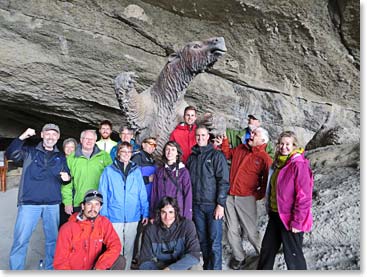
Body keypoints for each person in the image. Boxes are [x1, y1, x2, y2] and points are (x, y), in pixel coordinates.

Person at [6, 123, 71, 270]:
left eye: (54, 134)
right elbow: (11, 154)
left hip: (52, 204)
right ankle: (16, 270)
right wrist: (23, 136)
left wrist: (67, 179)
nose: (51, 137)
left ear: (58, 137)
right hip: (29, 203)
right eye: (48, 133)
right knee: (21, 240)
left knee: (52, 241)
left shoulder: (60, 157)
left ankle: (49, 269)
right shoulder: (29, 152)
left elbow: (66, 177)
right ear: (42, 135)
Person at [215, 127, 273, 270]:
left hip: (246, 198)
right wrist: (224, 142)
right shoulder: (241, 148)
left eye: (255, 134)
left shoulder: (264, 158)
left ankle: (265, 254)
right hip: (230, 195)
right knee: (231, 230)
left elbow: (267, 181)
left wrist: (257, 195)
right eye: (252, 133)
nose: (251, 135)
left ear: (263, 140)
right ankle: (239, 257)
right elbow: (227, 154)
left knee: (251, 231)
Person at [257, 131, 314, 270]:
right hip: (276, 215)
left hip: (291, 219)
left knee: (293, 256)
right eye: (281, 144)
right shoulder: (278, 163)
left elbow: (304, 197)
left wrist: (297, 222)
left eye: (288, 144)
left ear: (294, 146)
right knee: (267, 250)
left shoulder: (298, 165)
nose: (284, 147)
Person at [98, 142, 149, 270]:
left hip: (133, 215)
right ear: (118, 153)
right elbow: (103, 193)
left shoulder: (136, 171)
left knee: (130, 246)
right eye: (123, 151)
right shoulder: (108, 171)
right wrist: (104, 215)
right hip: (114, 215)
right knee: (116, 246)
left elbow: (142, 192)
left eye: (129, 152)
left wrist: (145, 212)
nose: (126, 154)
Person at [186, 125, 230, 270]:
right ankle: (207, 268)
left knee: (215, 242)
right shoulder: (191, 157)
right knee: (203, 241)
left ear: (208, 137)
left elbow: (223, 181)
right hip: (197, 205)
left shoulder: (216, 156)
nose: (200, 138)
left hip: (212, 205)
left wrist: (220, 204)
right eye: (198, 135)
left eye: (203, 135)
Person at [54, 189, 122, 270]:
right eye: (89, 204)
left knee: (120, 260)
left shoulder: (104, 223)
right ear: (83, 206)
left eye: (97, 204)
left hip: (94, 268)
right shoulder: (67, 228)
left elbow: (115, 244)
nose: (93, 208)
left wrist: (101, 266)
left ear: (100, 207)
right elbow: (60, 261)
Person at [61, 129, 112, 226]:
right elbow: (67, 183)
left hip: (99, 202)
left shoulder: (104, 156)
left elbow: (112, 180)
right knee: (78, 234)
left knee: (97, 233)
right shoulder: (71, 158)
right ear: (81, 140)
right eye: (86, 139)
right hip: (79, 202)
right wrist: (67, 202)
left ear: (95, 140)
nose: (89, 141)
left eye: (91, 139)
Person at [139, 196, 201, 270]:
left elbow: (194, 254)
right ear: (159, 213)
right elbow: (144, 261)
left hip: (182, 264)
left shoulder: (187, 225)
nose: (167, 217)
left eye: (171, 212)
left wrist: (171, 269)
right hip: (160, 266)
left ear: (176, 213)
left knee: (195, 266)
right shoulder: (150, 230)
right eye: (163, 212)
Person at [131, 137, 158, 265]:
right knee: (137, 230)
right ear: (143, 144)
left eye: (155, 145)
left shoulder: (151, 159)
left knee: (145, 229)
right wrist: (148, 180)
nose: (152, 146)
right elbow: (131, 178)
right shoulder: (137, 156)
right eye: (150, 143)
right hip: (138, 200)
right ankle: (133, 255)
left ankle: (142, 255)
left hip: (148, 199)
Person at [150, 141, 192, 221]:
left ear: (177, 153)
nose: (170, 152)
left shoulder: (183, 172)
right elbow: (154, 194)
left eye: (173, 149)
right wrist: (152, 215)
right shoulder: (159, 171)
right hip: (161, 212)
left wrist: (187, 216)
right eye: (167, 149)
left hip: (178, 212)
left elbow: (188, 194)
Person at [60, 137, 78, 227]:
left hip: (73, 195)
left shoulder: (78, 162)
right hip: (59, 197)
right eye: (67, 147)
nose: (69, 149)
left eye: (72, 147)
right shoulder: (59, 160)